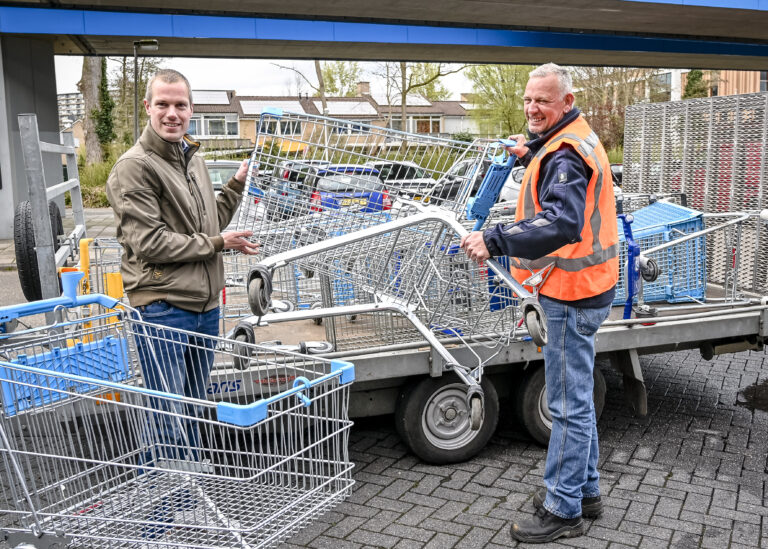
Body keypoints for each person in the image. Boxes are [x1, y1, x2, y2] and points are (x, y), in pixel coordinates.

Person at [460, 63, 618, 544]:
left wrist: (495, 238)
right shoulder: (569, 138)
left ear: (566, 103)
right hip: (590, 284)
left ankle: (562, 508)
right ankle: (585, 492)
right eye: (529, 100)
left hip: (572, 293)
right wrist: (526, 149)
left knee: (568, 405)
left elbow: (561, 223)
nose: (532, 108)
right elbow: (553, 161)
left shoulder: (566, 154)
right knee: (578, 399)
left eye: (543, 102)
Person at [106, 68, 259, 464]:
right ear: (148, 108)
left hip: (205, 307)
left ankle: (188, 495)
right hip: (164, 307)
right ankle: (164, 512)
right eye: (163, 104)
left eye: (180, 105)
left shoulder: (192, 159)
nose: (171, 113)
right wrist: (217, 243)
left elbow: (210, 225)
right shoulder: (134, 166)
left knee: (191, 408)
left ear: (191, 110)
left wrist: (237, 185)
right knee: (166, 414)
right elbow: (149, 242)